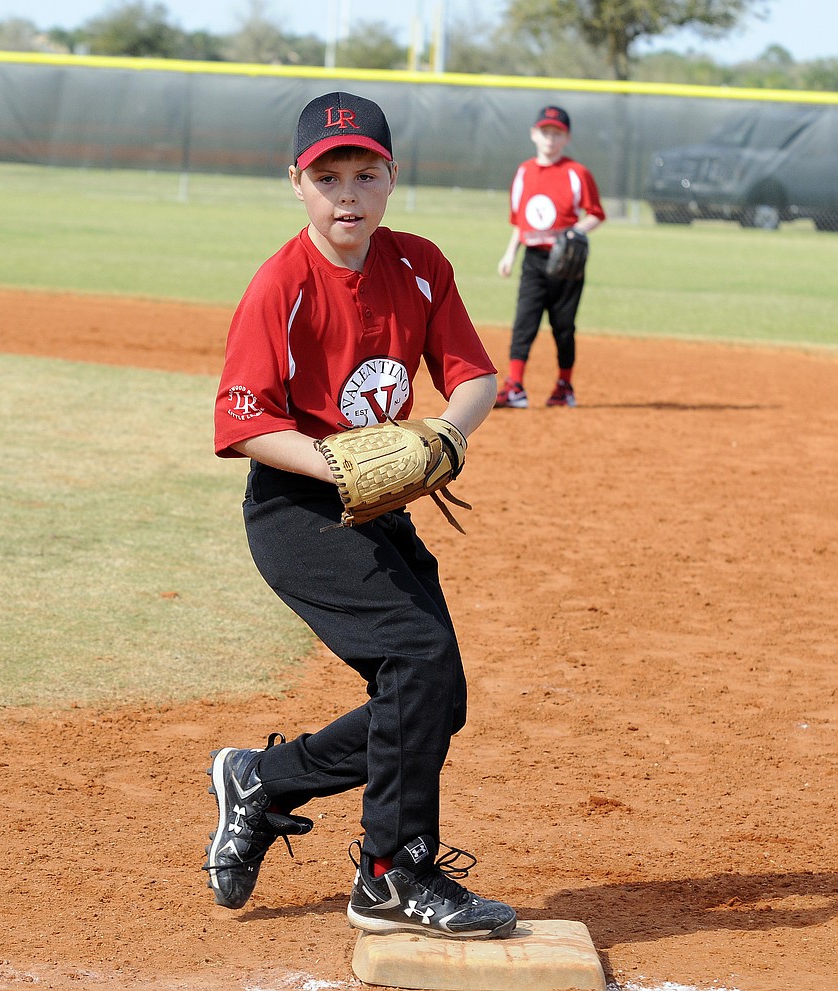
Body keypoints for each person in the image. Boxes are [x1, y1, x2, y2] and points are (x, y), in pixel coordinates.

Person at [204, 91, 517, 941]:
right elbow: (244, 423)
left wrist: (447, 433)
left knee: (431, 696)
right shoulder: (282, 283)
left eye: (364, 173)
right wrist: (340, 461)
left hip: (380, 507)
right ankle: (391, 872)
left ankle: (265, 779)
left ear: (389, 178)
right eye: (327, 176)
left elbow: (475, 377)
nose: (347, 192)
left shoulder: (419, 264)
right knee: (419, 657)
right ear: (297, 185)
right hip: (297, 509)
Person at [495, 104, 606, 409]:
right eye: (545, 132)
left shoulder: (576, 173)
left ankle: (564, 386)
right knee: (524, 322)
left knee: (563, 326)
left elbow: (596, 214)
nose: (550, 139)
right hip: (533, 259)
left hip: (566, 262)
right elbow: (520, 222)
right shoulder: (524, 172)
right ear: (534, 134)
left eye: (557, 133)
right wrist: (509, 255)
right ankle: (515, 386)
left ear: (566, 137)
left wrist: (574, 232)